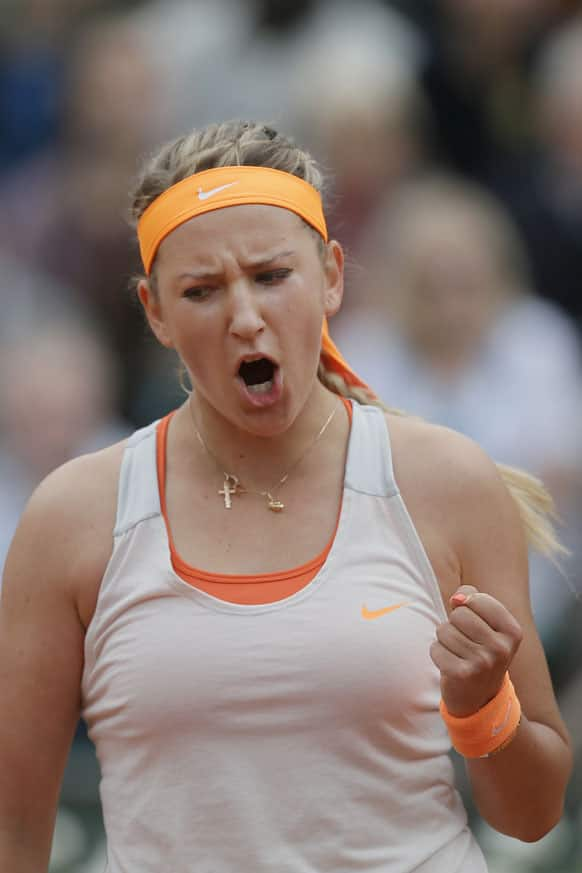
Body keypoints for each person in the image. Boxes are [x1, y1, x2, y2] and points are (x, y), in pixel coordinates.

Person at [0, 120, 572, 873]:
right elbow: (12, 829)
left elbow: (531, 815)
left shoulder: (447, 481)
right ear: (155, 312)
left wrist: (481, 706)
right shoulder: (75, 514)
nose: (245, 316)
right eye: (201, 290)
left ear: (332, 274)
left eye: (272, 275)